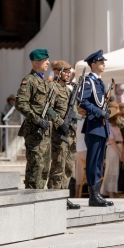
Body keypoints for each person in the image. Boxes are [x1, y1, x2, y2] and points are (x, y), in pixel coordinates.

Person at [16, 48, 62, 189]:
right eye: (45, 60)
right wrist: (37, 119)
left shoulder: (44, 82)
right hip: (35, 131)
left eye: (48, 60)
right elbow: (21, 103)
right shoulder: (29, 81)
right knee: (35, 166)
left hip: (46, 131)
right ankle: (31, 198)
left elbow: (49, 107)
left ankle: (39, 197)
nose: (48, 63)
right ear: (36, 62)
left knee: (44, 168)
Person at [79, 49, 113, 207]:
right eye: (101, 62)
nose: (103, 64)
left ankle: (97, 194)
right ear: (93, 64)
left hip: (102, 127)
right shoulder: (88, 82)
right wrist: (99, 111)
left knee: (99, 162)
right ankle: (93, 195)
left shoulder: (99, 82)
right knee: (93, 161)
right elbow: (83, 101)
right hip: (93, 125)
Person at [47, 60, 80, 209]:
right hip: (59, 133)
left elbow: (75, 111)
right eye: (65, 72)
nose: (68, 74)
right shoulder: (52, 88)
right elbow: (49, 109)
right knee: (58, 166)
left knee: (68, 166)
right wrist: (61, 123)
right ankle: (54, 197)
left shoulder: (68, 90)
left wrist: (78, 117)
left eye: (68, 72)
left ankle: (63, 196)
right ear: (57, 72)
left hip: (70, 133)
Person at [101, 106, 124, 198]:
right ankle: (110, 192)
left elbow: (120, 140)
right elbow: (111, 141)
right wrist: (119, 153)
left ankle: (113, 191)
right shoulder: (108, 127)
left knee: (115, 172)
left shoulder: (116, 127)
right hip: (112, 149)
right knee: (111, 171)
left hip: (118, 148)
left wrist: (123, 152)